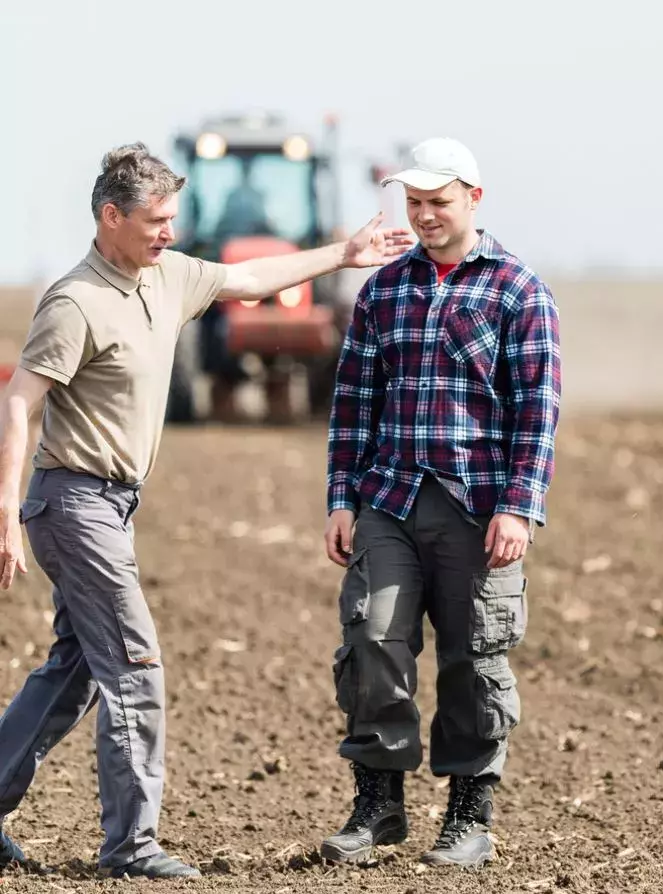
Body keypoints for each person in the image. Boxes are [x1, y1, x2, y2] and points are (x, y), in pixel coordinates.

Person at [0, 142, 414, 880]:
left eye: (173, 219)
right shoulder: (75, 301)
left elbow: (251, 276)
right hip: (73, 502)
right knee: (135, 669)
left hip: (111, 505)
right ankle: (131, 847)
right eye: (156, 220)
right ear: (110, 217)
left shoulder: (171, 277)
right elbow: (18, 404)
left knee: (78, 668)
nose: (168, 232)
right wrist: (5, 510)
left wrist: (344, 254)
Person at [320, 137, 561, 869]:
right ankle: (378, 806)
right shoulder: (384, 291)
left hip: (478, 507)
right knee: (371, 642)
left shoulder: (518, 290)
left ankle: (468, 816)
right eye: (414, 203)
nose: (423, 216)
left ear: (473, 200)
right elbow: (354, 403)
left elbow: (537, 410)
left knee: (474, 660)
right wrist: (341, 497)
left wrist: (518, 506)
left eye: (437, 203)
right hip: (390, 499)